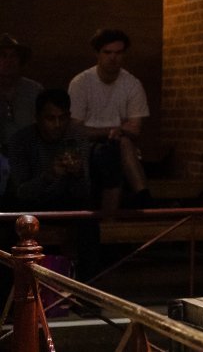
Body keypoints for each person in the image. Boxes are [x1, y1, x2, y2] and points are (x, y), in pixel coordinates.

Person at [8, 88, 100, 280]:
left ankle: (88, 293)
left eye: (62, 118)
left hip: (64, 201)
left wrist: (77, 173)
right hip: (29, 205)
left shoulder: (77, 138)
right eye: (51, 118)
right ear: (38, 118)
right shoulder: (21, 140)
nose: (57, 125)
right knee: (9, 224)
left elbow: (84, 191)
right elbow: (21, 192)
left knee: (89, 221)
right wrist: (50, 175)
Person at [68, 28, 151, 211]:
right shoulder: (81, 83)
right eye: (108, 52)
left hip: (119, 143)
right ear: (97, 54)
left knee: (120, 145)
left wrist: (119, 132)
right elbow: (75, 129)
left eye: (118, 53)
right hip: (87, 147)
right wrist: (113, 130)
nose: (113, 58)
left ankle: (113, 220)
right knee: (118, 146)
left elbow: (135, 128)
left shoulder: (132, 84)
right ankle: (142, 194)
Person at [0, 34, 43, 154]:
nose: (8, 61)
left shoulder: (34, 90)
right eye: (3, 56)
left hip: (28, 153)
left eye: (13, 56)